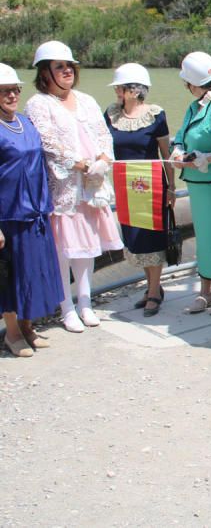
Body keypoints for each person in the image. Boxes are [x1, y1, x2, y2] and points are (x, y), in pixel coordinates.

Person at [24, 41, 123, 333]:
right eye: (59, 67)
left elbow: (104, 135)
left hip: (93, 186)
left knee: (88, 248)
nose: (67, 71)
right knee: (63, 250)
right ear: (45, 73)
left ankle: (86, 302)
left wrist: (104, 160)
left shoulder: (87, 100)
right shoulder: (38, 103)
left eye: (69, 66)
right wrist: (79, 163)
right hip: (65, 187)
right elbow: (47, 142)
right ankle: (65, 306)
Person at [169, 52, 211, 316]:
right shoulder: (193, 107)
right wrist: (178, 153)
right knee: (204, 240)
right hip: (197, 184)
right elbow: (181, 136)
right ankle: (204, 291)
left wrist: (205, 158)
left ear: (194, 83)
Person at [0, 63, 63, 357]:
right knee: (10, 275)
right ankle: (12, 333)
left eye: (15, 90)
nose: (12, 95)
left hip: (35, 212)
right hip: (8, 214)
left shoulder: (25, 122)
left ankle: (27, 326)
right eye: (4, 91)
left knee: (31, 272)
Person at [104, 63, 174, 317]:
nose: (117, 92)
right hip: (125, 186)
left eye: (120, 88)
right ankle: (151, 286)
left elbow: (166, 154)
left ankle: (155, 291)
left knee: (153, 239)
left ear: (133, 90)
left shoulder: (155, 115)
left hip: (152, 186)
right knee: (136, 240)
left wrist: (172, 188)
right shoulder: (111, 115)